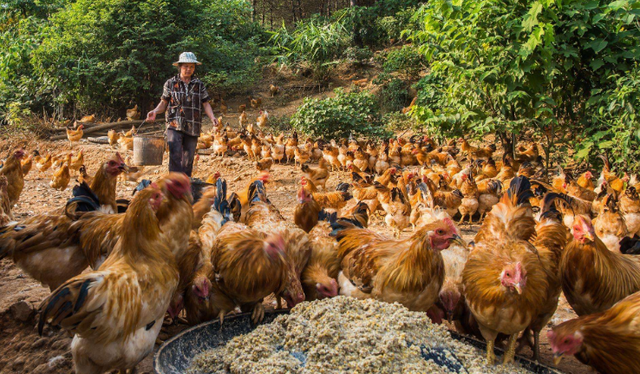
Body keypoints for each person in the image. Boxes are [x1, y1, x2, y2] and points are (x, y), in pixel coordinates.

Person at [146, 52, 218, 177]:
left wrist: (212, 118)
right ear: (180, 67)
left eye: (191, 67)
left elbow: (205, 104)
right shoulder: (170, 83)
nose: (188, 69)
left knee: (188, 158)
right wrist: (155, 112)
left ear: (194, 68)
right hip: (174, 124)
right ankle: (174, 184)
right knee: (175, 154)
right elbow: (164, 102)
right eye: (185, 66)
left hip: (193, 125)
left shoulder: (199, 85)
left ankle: (185, 185)